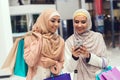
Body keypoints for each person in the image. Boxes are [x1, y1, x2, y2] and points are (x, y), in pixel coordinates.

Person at [62, 9, 109, 80]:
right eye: (76, 22)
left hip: (97, 77)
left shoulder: (97, 37)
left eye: (83, 22)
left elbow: (105, 63)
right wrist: (74, 57)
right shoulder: (69, 41)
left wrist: (89, 56)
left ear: (88, 22)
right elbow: (68, 69)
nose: (79, 25)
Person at [24, 8, 65, 80]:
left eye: (58, 21)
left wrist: (53, 63)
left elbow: (62, 63)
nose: (56, 24)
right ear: (44, 21)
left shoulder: (60, 41)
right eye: (53, 21)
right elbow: (30, 62)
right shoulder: (31, 38)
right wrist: (39, 40)